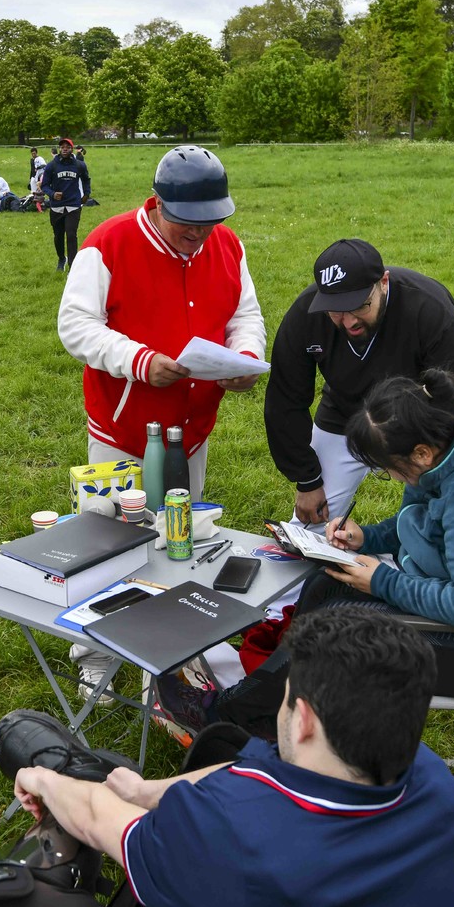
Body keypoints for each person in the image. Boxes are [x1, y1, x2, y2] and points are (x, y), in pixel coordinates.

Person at [162, 368, 454, 740]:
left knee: (332, 637)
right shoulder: (448, 447)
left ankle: (230, 716)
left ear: (421, 452)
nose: (392, 476)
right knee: (325, 585)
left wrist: (381, 581)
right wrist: (369, 539)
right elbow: (426, 526)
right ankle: (273, 710)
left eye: (390, 468)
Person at [9, 611, 454, 907]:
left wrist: (42, 778)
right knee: (225, 747)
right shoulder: (437, 787)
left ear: (304, 719)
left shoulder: (230, 833)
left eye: (285, 700)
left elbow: (96, 819)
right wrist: (147, 792)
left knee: (24, 900)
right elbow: (262, 768)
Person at [58, 145, 264, 701]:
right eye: (186, 224)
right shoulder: (108, 244)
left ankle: (167, 649)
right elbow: (75, 326)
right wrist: (140, 361)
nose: (199, 235)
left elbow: (244, 312)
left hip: (191, 427)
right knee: (109, 540)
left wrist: (243, 358)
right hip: (124, 428)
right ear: (157, 205)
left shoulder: (226, 244)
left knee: (180, 536)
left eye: (210, 222)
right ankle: (95, 656)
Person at [264, 238, 454, 526]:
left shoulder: (429, 307)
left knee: (452, 520)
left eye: (359, 306)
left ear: (383, 282)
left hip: (420, 422)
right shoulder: (305, 315)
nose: (348, 322)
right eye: (335, 310)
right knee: (308, 528)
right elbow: (285, 400)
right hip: (343, 415)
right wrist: (307, 480)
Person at [40, 138, 90, 270]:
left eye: (67, 146)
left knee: (71, 234)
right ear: (60, 149)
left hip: (73, 204)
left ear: (71, 149)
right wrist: (52, 194)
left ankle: (72, 266)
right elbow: (44, 185)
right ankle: (62, 258)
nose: (64, 149)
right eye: (62, 147)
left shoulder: (79, 165)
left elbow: (86, 180)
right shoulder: (52, 165)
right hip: (57, 206)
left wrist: (86, 194)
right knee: (58, 236)